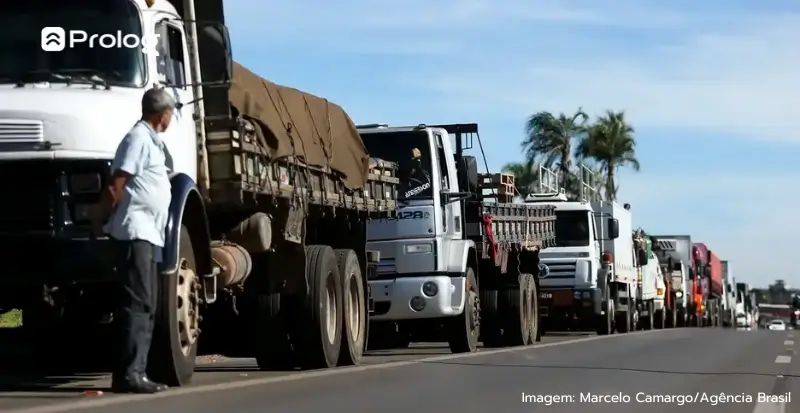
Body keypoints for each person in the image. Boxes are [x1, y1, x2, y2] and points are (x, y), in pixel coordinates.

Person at [92, 87, 175, 393]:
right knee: (138, 303)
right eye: (170, 112)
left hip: (149, 234)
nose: (172, 118)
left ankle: (137, 370)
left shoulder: (152, 141)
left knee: (147, 304)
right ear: (161, 114)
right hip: (135, 232)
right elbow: (117, 184)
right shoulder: (138, 138)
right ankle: (129, 374)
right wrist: (99, 220)